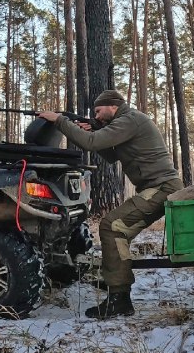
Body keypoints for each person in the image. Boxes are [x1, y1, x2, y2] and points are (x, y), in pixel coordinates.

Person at [38, 90, 183, 319]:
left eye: (98, 111)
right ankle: (118, 290)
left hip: (162, 188)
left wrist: (60, 121)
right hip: (156, 188)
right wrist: (94, 128)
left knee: (111, 226)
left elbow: (91, 143)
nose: (96, 115)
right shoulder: (126, 121)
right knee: (117, 231)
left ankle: (119, 299)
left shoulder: (130, 119)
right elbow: (111, 155)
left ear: (112, 106)